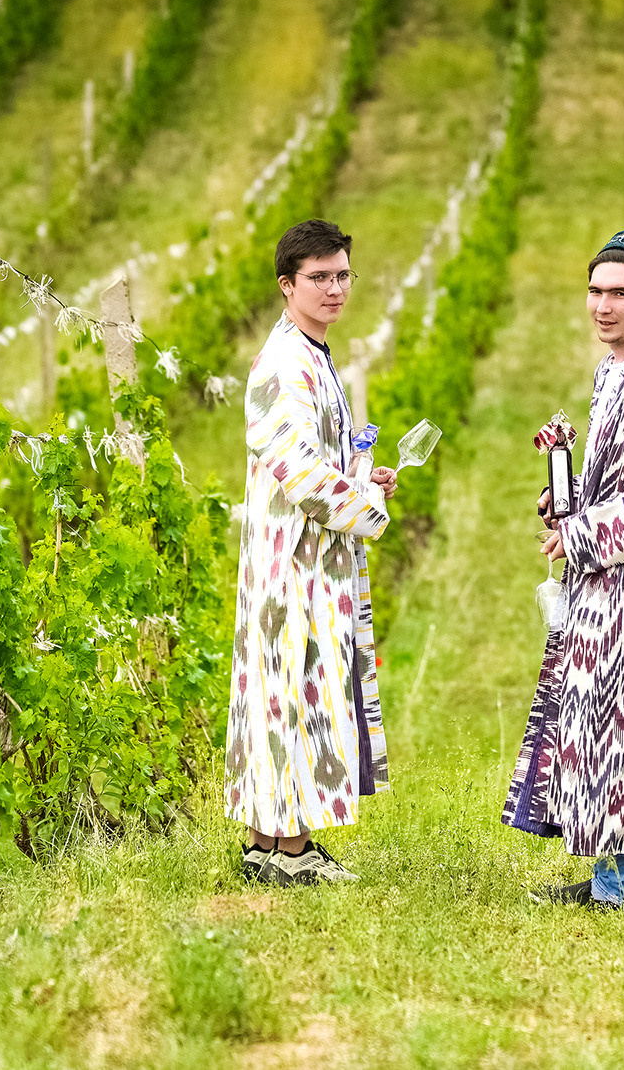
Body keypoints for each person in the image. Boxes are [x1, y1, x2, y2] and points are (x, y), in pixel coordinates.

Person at [503, 228, 624, 908]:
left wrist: (585, 531)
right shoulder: (612, 369)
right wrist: (567, 500)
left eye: (619, 293)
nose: (603, 305)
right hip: (600, 579)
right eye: (594, 291)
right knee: (594, 722)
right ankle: (605, 880)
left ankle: (621, 887)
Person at [225, 219, 399, 886]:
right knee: (291, 694)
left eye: (342, 275)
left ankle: (267, 844)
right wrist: (368, 508)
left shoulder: (312, 353)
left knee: (283, 693)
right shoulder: (283, 363)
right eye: (319, 277)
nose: (334, 289)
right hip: (292, 561)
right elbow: (298, 472)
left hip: (308, 555)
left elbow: (318, 457)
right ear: (287, 284)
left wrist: (361, 476)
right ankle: (290, 853)